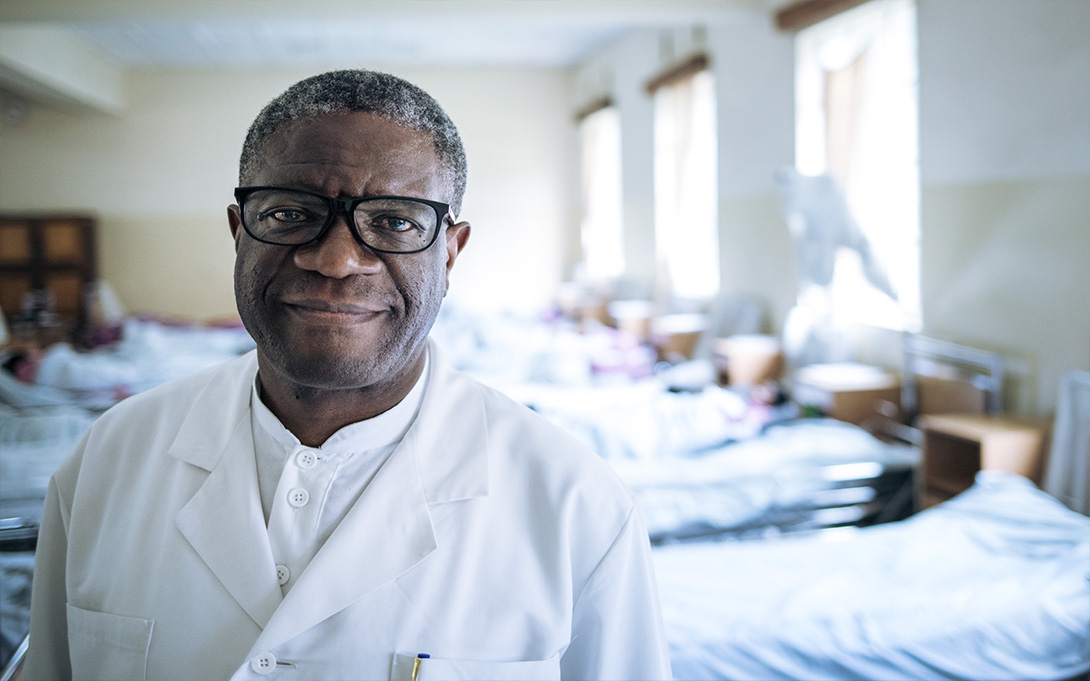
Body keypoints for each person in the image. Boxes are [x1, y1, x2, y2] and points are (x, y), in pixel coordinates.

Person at [22, 69, 671, 680]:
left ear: (451, 249)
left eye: (394, 221)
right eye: (289, 213)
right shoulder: (108, 462)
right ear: (237, 231)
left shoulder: (576, 505)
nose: (336, 259)